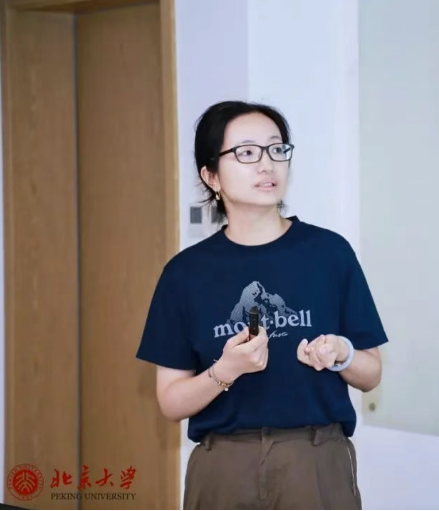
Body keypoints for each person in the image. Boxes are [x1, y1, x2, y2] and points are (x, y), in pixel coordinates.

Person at [135, 100, 388, 510]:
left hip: (316, 461)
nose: (267, 164)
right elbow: (171, 402)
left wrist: (341, 354)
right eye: (247, 152)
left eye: (276, 149)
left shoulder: (329, 253)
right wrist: (225, 370)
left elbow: (371, 372)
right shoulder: (184, 273)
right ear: (211, 176)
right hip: (223, 468)